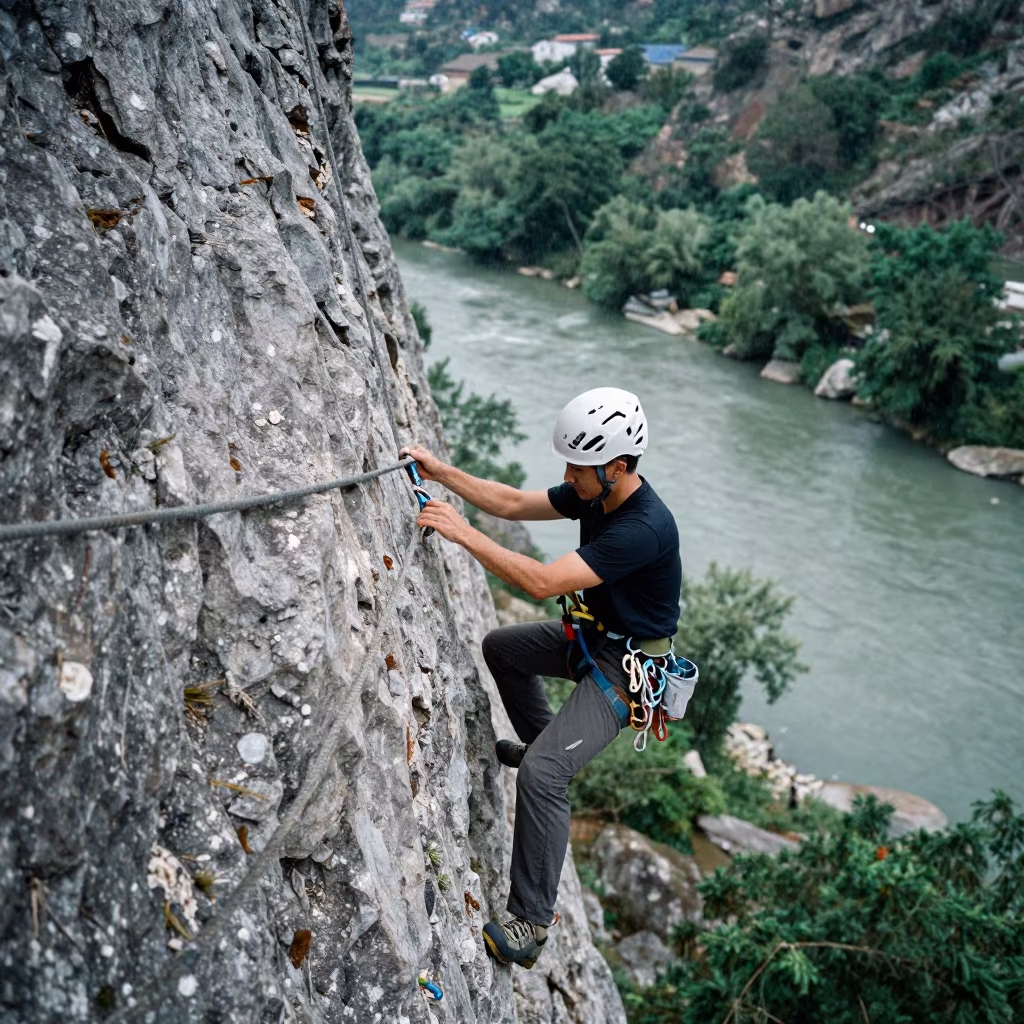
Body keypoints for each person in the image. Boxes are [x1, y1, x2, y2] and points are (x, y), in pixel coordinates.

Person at [403, 386, 681, 969]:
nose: (568, 475)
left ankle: (530, 924)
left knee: (542, 775)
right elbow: (508, 502)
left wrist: (462, 533)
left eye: (580, 467)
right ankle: (544, 747)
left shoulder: (644, 527)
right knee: (501, 648)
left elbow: (542, 582)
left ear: (619, 467)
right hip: (594, 638)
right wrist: (440, 472)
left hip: (629, 668)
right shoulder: (594, 494)